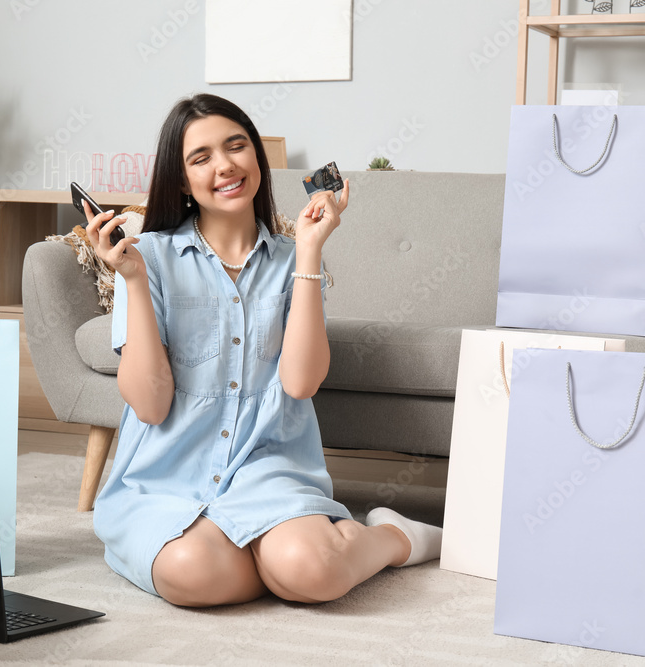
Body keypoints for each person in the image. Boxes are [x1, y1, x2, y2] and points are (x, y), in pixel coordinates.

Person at [84, 93, 442, 607]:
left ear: (257, 157)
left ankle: (393, 538)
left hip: (267, 467)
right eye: (201, 157)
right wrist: (134, 283)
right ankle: (285, 559)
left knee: (312, 572)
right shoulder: (147, 259)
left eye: (237, 146)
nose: (226, 165)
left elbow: (300, 383)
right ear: (181, 181)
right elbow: (149, 404)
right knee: (195, 573)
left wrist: (311, 248)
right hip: (167, 476)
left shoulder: (294, 259)